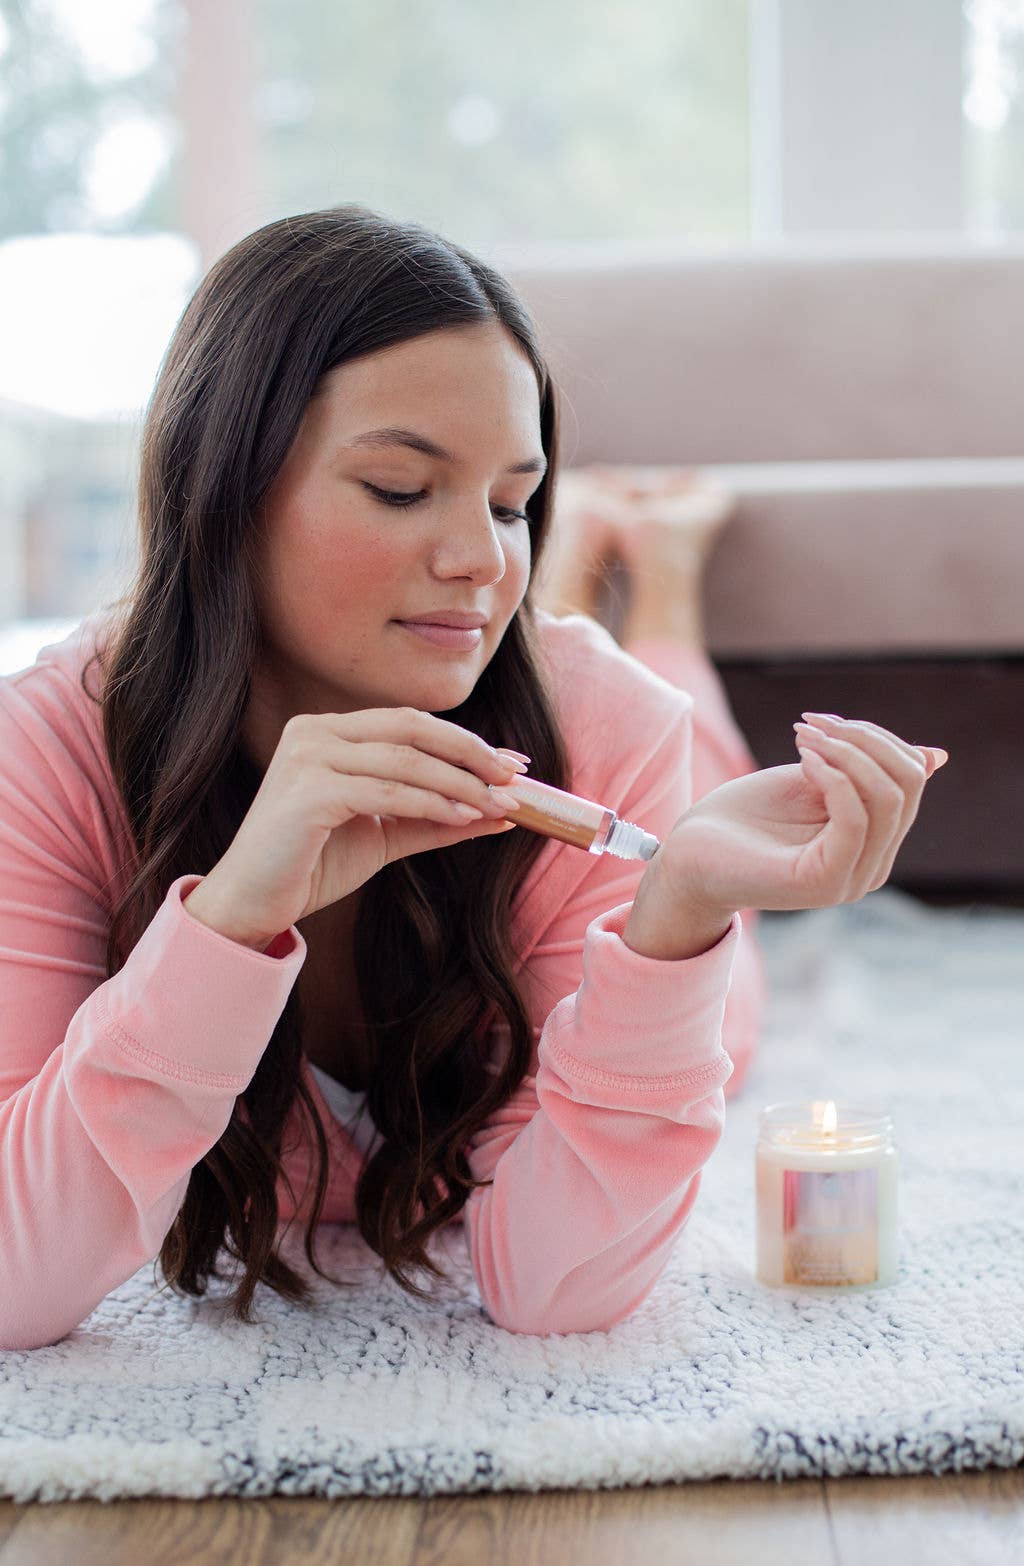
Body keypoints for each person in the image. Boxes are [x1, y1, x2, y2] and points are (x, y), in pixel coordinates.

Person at [0, 205, 948, 1351]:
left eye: (513, 504)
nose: (483, 562)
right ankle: (636, 570)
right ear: (225, 492)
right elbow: (18, 1280)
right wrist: (234, 914)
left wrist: (680, 916)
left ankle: (663, 592)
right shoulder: (48, 751)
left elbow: (557, 1293)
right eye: (402, 489)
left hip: (611, 746)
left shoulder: (603, 732)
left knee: (689, 806)